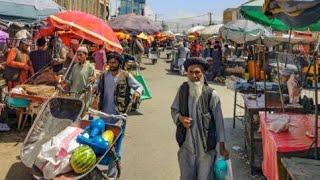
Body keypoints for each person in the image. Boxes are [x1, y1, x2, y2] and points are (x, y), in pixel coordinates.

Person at [171, 58, 229, 180]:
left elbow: (219, 123)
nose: (194, 75)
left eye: (197, 72)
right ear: (186, 73)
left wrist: (222, 147)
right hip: (186, 147)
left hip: (206, 150)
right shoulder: (182, 90)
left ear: (203, 73)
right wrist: (181, 119)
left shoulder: (212, 95)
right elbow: (174, 110)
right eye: (190, 72)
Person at [95, 52, 143, 178]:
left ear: (119, 63)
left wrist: (137, 92)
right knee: (102, 142)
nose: (111, 65)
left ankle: (112, 174)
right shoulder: (104, 75)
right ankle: (104, 166)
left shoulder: (126, 75)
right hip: (103, 114)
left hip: (119, 116)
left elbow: (139, 86)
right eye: (109, 62)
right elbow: (97, 87)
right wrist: (94, 86)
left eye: (114, 62)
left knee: (116, 144)